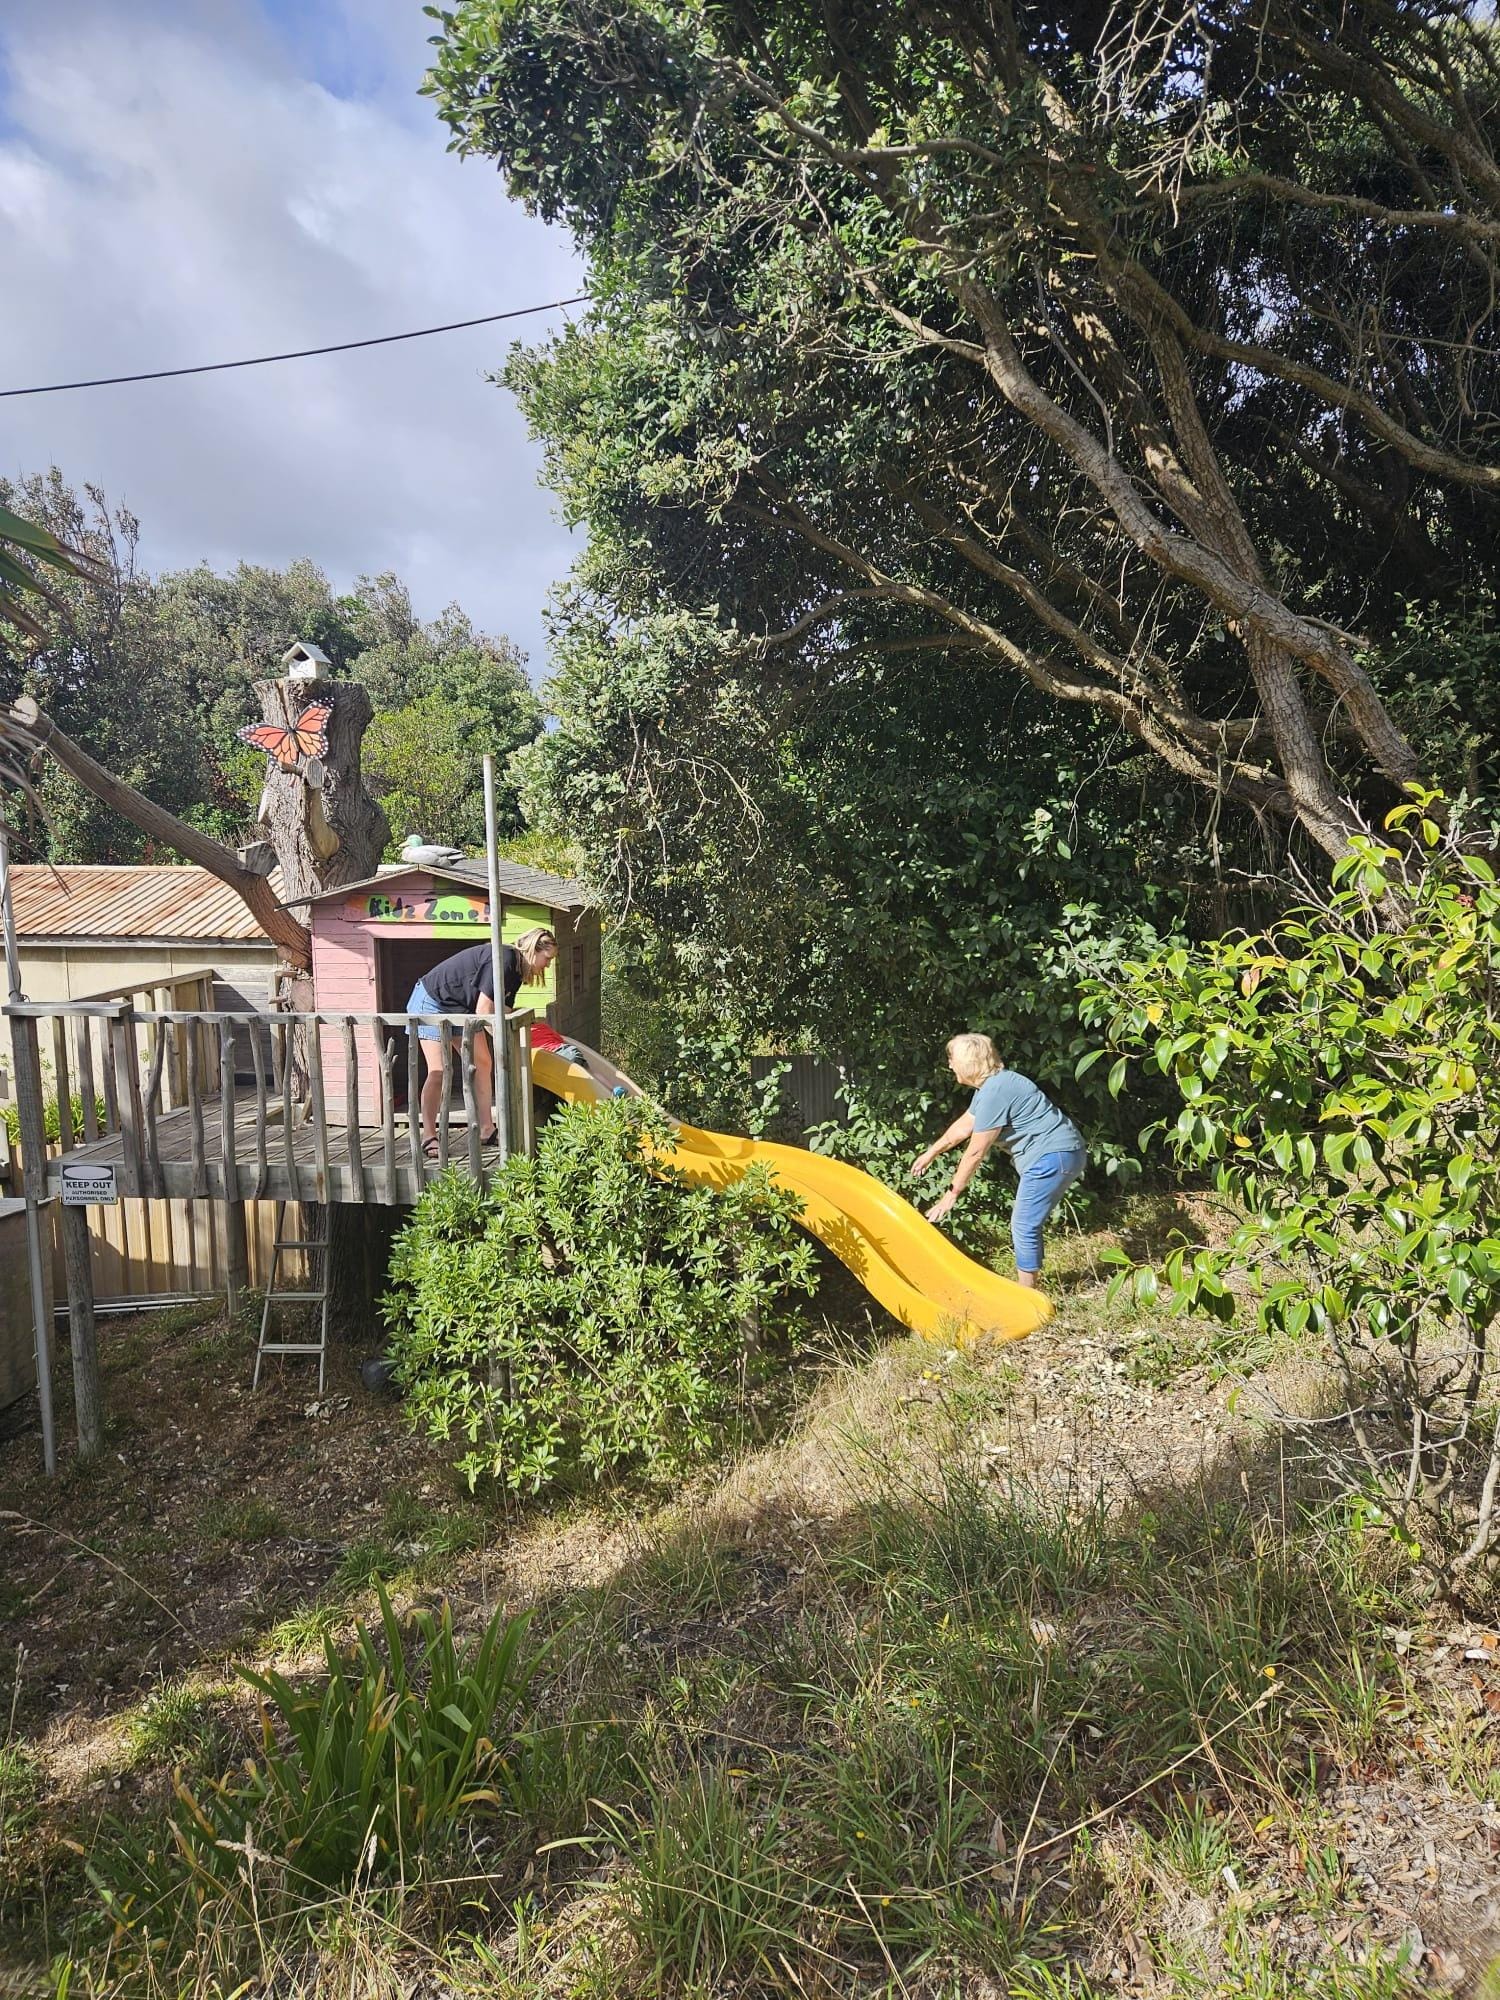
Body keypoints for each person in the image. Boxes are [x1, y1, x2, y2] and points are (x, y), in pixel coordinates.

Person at [910, 1032, 1085, 1288]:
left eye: (952, 1059)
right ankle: (1029, 1289)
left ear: (969, 1063)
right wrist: (931, 1152)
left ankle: (1027, 1297)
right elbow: (962, 1128)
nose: (949, 1065)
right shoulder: (991, 1088)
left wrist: (951, 1194)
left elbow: (975, 1151)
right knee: (1027, 1222)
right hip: (1061, 1154)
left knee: (1023, 1223)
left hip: (1052, 1156)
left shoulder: (996, 1092)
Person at [408, 927, 558, 1155]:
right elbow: (485, 1010)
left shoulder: (517, 971)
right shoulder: (505, 958)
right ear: (533, 949)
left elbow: (503, 1009)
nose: (547, 965)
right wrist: (504, 1045)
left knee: (483, 1064)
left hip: (460, 1007)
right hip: (432, 1000)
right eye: (547, 959)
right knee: (439, 1071)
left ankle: (486, 1129)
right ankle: (429, 1136)